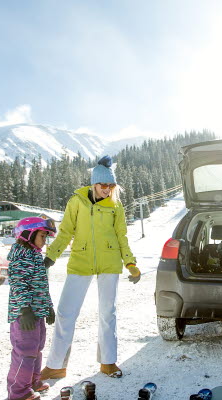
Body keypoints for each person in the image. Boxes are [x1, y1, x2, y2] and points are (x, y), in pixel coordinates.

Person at [39, 155, 141, 380]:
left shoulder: (115, 205)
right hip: (81, 261)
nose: (107, 189)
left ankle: (108, 362)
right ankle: (56, 365)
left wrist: (130, 263)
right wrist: (51, 256)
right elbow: (65, 231)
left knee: (108, 313)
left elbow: (121, 236)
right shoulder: (77, 201)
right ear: (94, 183)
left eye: (111, 186)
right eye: (103, 185)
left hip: (110, 262)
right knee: (66, 313)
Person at [6, 217, 57, 400]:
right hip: (24, 314)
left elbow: (41, 285)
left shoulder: (35, 254)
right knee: (25, 352)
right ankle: (19, 392)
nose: (45, 240)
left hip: (37, 312)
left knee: (36, 349)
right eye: (42, 236)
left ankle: (32, 382)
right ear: (28, 234)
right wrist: (24, 310)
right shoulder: (21, 254)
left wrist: (48, 307)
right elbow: (19, 284)